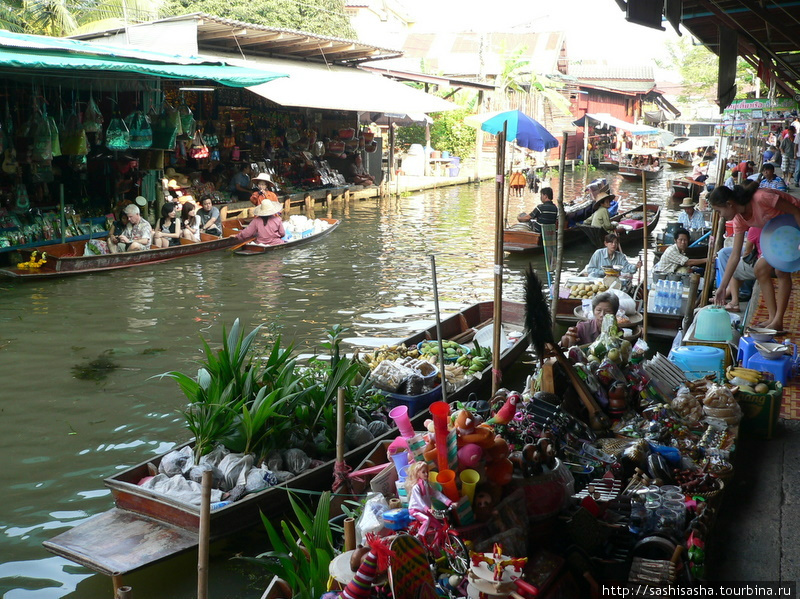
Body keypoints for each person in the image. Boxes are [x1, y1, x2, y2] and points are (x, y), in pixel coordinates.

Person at [708, 182, 800, 331]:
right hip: (777, 236)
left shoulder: (761, 198)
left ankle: (778, 321)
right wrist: (723, 287)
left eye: (719, 211)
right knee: (760, 270)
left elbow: (796, 210)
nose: (721, 216)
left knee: (781, 271)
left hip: (794, 226)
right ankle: (772, 318)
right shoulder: (739, 219)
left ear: (729, 204)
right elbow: (735, 255)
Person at [404, 461, 452, 537]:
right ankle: (419, 537)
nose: (426, 474)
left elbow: (436, 493)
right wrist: (427, 509)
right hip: (415, 510)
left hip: (425, 511)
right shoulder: (416, 487)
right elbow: (419, 500)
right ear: (418, 474)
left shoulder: (426, 485)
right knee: (427, 519)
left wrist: (449, 502)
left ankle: (436, 546)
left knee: (439, 527)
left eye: (427, 472)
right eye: (423, 472)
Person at [721, 227, 763, 313]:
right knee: (726, 255)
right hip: (775, 263)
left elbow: (747, 251)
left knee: (734, 267)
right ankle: (726, 292)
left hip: (764, 264)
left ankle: (734, 302)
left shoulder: (755, 228)